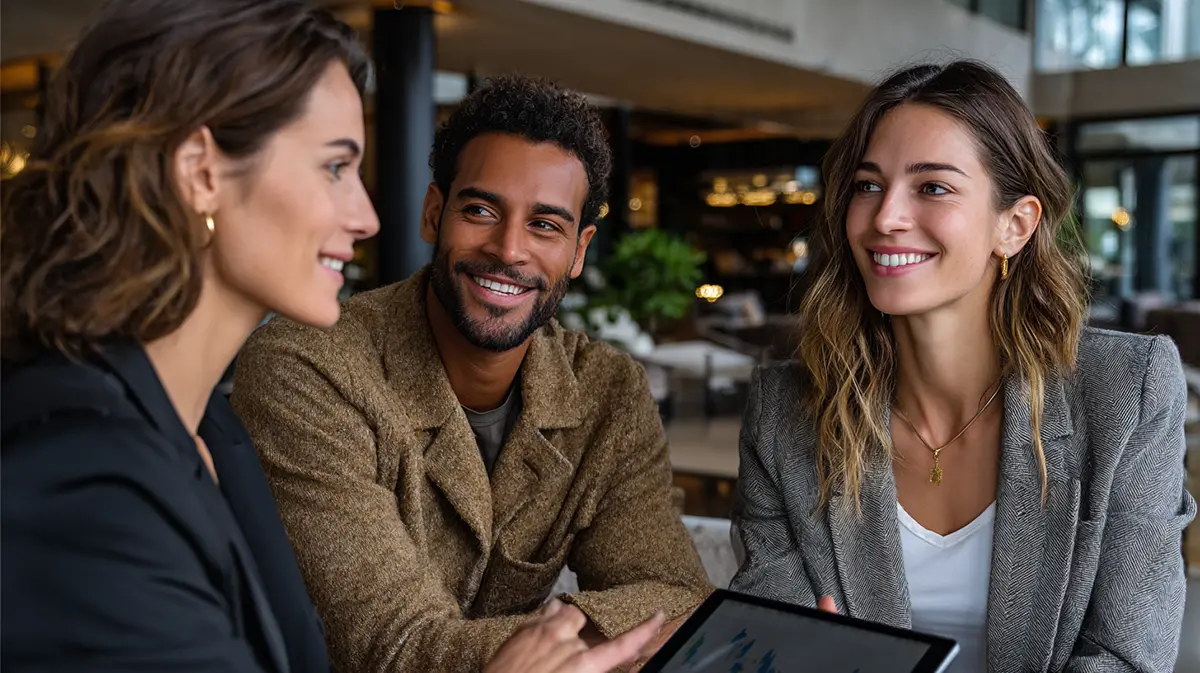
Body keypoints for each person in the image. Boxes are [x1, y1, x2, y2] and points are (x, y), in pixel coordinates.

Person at [0, 2, 669, 672]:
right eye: (334, 167)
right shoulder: (81, 473)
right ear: (202, 172)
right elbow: (387, 642)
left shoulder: (209, 434)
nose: (368, 216)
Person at [229, 74, 713, 672]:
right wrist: (602, 642)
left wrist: (555, 647)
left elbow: (680, 600)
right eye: (481, 210)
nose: (509, 250)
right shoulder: (307, 367)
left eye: (545, 225)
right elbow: (391, 646)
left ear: (580, 250)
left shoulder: (606, 391)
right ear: (435, 214)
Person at [729, 60, 1195, 673]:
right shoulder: (784, 411)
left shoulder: (1126, 394)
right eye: (868, 185)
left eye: (933, 187)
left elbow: (1126, 658)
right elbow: (781, 647)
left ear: (1015, 224)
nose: (886, 216)